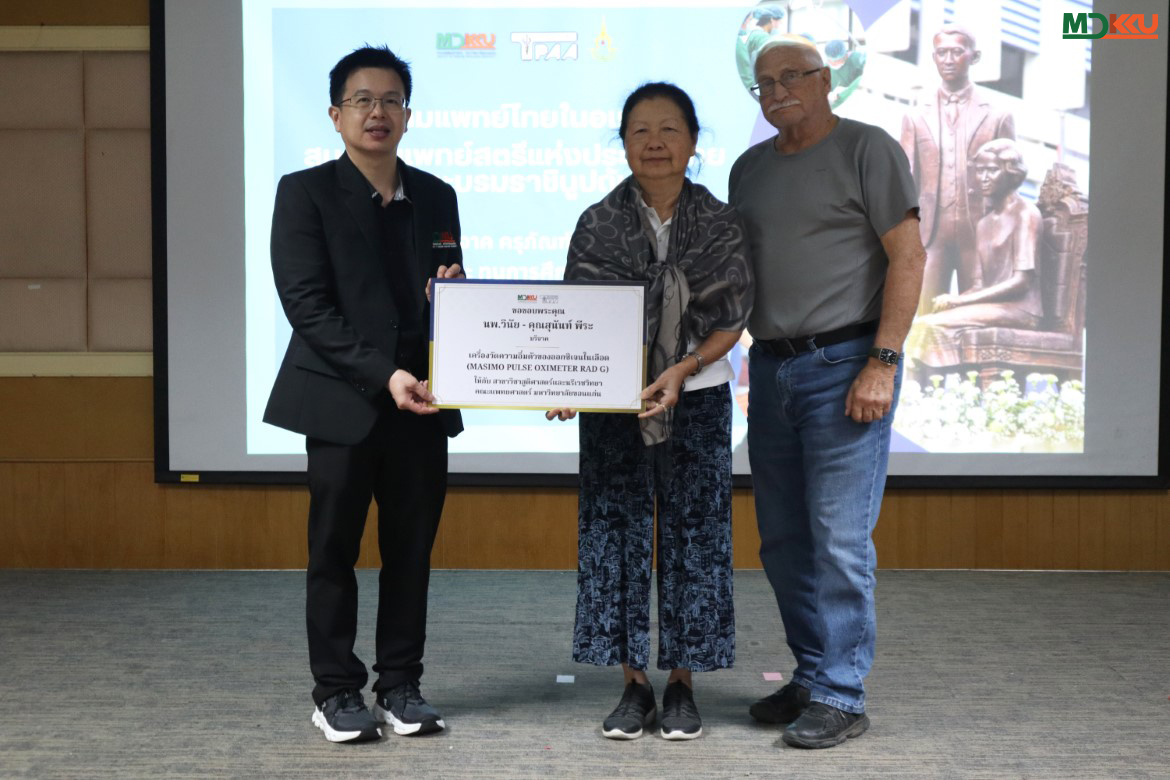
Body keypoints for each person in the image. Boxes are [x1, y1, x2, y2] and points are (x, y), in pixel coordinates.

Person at [263, 45, 465, 744]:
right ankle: (336, 690)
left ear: (408, 114)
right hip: (344, 403)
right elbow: (307, 306)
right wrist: (385, 375)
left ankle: (401, 685)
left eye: (391, 101)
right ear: (335, 115)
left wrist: (457, 311)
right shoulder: (305, 192)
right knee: (334, 552)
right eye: (362, 100)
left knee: (411, 552)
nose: (377, 112)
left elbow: (449, 297)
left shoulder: (437, 196)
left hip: (423, 403)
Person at [728, 40, 925, 748]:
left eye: (792, 76)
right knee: (783, 542)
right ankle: (813, 676)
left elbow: (908, 256)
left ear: (826, 80)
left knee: (839, 540)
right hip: (772, 370)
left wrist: (883, 361)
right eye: (764, 83)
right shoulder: (748, 169)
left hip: (847, 367)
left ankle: (843, 693)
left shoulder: (868, 149)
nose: (777, 90)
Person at [548, 83, 754, 741]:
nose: (655, 142)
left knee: (696, 534)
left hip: (698, 394)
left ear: (693, 142)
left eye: (669, 129)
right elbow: (575, 317)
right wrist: (566, 381)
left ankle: (683, 685)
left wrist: (682, 368)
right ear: (623, 142)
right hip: (615, 401)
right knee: (616, 532)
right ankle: (633, 685)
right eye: (640, 130)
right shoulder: (597, 223)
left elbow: (732, 319)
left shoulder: (720, 221)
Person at [899, 25, 1015, 313]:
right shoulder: (915, 116)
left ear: (974, 57)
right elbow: (905, 177)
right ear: (934, 57)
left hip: (981, 231)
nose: (948, 59)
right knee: (921, 315)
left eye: (956, 52)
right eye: (942, 53)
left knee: (978, 313)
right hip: (930, 231)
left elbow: (1010, 177)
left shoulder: (998, 115)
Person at [905, 138, 1043, 367]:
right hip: (993, 307)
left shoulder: (1025, 214)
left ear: (1011, 173)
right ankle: (935, 379)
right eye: (980, 171)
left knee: (927, 325)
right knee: (927, 321)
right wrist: (955, 301)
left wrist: (960, 301)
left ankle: (927, 378)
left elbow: (1022, 281)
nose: (983, 178)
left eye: (992, 170)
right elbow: (979, 284)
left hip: (1021, 309)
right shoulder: (984, 224)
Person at [825, 39, 866, 109]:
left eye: (837, 61)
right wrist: (828, 95)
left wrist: (849, 90)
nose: (833, 64)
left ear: (845, 55)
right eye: (830, 61)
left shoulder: (858, 59)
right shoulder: (826, 69)